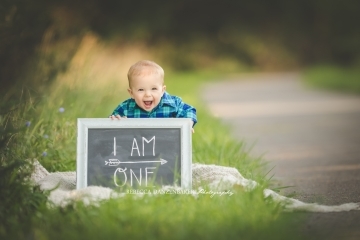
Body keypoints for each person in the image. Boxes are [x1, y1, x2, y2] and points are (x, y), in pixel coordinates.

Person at [109, 60, 197, 131]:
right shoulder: (125, 109)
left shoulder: (173, 104)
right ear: (131, 93)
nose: (147, 94)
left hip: (167, 148)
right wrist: (114, 121)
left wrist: (188, 123)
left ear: (162, 90)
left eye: (154, 89)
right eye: (141, 89)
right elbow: (108, 131)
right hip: (136, 149)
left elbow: (189, 110)